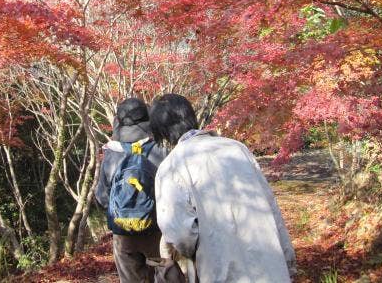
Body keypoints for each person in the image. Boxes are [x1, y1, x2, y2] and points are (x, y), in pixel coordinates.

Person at [149, 93, 297, 283]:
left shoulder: (171, 166)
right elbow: (271, 206)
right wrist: (287, 259)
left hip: (220, 269)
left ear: (162, 131)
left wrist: (191, 252)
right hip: (270, 266)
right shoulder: (237, 149)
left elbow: (180, 234)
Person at [95, 98, 169, 283]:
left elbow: (102, 198)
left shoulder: (111, 154)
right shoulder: (161, 151)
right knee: (161, 277)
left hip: (123, 233)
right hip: (156, 232)